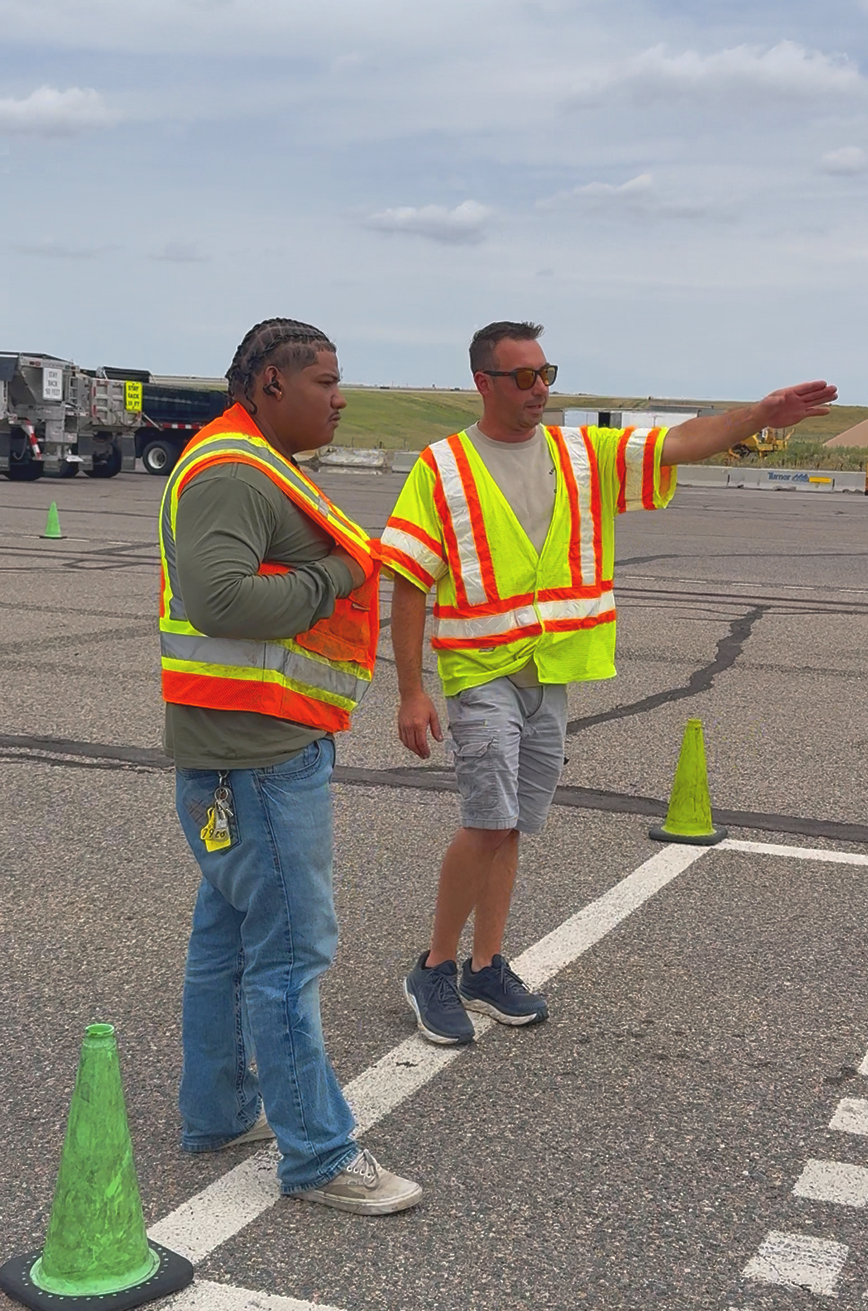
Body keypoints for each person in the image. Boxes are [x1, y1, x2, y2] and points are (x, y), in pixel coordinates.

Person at [381, 320, 836, 1045]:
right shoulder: (443, 467)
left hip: (553, 670)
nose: (540, 389)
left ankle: (486, 964)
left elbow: (679, 442)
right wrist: (410, 690)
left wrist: (758, 417)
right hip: (481, 672)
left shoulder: (577, 454)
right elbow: (407, 580)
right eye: (523, 377)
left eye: (546, 372)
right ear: (484, 383)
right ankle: (433, 967)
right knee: (486, 821)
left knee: (515, 826)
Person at [160, 318, 421, 1215]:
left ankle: (220, 1112)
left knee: (229, 939)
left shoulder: (252, 459)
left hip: (242, 746)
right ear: (272, 382)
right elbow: (220, 597)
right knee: (291, 952)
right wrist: (338, 579)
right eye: (327, 381)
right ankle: (318, 1155)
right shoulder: (235, 472)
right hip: (257, 755)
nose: (342, 397)